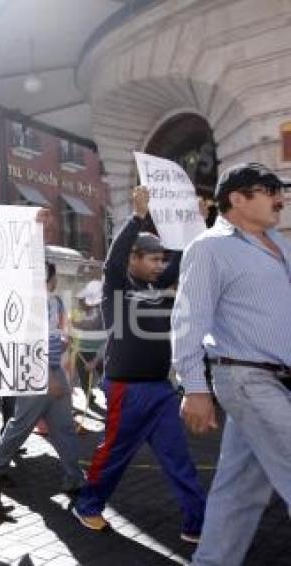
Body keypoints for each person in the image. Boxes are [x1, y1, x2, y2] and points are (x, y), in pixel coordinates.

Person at [72, 187, 206, 543]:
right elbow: (113, 261)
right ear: (134, 257)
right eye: (152, 259)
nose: (160, 265)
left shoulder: (157, 286)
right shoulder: (114, 286)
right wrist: (136, 216)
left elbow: (179, 258)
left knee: (179, 460)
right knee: (112, 456)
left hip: (162, 391)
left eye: (161, 260)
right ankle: (87, 505)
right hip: (125, 391)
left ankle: (196, 523)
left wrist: (197, 224)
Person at [173, 163, 291, 565]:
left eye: (281, 189)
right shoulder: (209, 248)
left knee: (239, 489)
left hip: (276, 380)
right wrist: (194, 388)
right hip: (246, 377)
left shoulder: (281, 244)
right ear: (237, 199)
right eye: (268, 189)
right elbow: (188, 320)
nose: (280, 197)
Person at [0, 263, 85, 494]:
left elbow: (56, 335)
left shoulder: (54, 302)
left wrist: (63, 343)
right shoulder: (29, 305)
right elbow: (28, 345)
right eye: (53, 277)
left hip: (52, 371)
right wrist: (48, 377)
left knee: (63, 427)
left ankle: (75, 478)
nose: (56, 281)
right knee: (22, 424)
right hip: (37, 373)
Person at [69, 279, 106, 431]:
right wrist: (72, 343)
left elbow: (107, 340)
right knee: (85, 381)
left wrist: (96, 359)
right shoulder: (76, 314)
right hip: (81, 352)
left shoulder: (104, 316)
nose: (82, 302)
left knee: (107, 380)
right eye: (81, 300)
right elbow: (69, 332)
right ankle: (89, 398)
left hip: (99, 354)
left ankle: (115, 405)